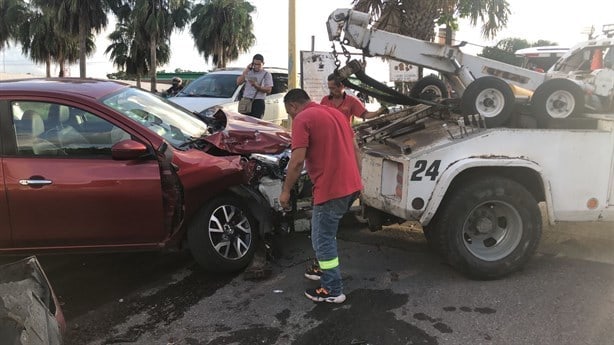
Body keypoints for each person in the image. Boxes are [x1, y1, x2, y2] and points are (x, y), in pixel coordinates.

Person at [279, 88, 362, 304]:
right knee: (324, 231)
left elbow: (297, 162)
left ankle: (332, 290)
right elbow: (356, 149)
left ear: (293, 106)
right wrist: (359, 180)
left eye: (290, 114)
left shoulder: (302, 119)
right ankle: (319, 267)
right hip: (350, 185)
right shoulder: (336, 113)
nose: (291, 117)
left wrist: (286, 191)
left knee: (323, 239)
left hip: (331, 189)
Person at [320, 73, 388, 122]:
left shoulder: (351, 101)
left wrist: (378, 112)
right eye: (330, 88)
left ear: (342, 86)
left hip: (344, 136)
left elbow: (365, 115)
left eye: (333, 88)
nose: (331, 91)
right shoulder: (325, 100)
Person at [236, 54, 273, 118]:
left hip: (258, 101)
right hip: (246, 100)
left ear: (263, 63)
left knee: (256, 123)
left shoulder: (266, 74)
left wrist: (257, 86)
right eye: (255, 64)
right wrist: (247, 69)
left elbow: (269, 90)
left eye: (259, 64)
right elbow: (239, 82)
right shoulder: (249, 72)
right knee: (244, 123)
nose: (256, 66)